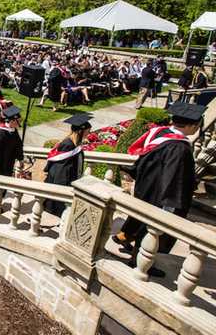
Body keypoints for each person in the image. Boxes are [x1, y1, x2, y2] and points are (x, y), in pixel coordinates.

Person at [112, 102, 202, 277]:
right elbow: (173, 178)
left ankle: (129, 241)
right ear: (192, 125)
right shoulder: (179, 147)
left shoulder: (160, 132)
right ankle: (140, 262)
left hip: (146, 187)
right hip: (160, 195)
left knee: (140, 220)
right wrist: (169, 207)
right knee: (152, 229)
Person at [43, 114, 92, 217]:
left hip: (68, 177)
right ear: (80, 131)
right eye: (88, 131)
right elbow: (60, 167)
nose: (89, 133)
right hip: (61, 179)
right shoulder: (68, 144)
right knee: (56, 206)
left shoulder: (75, 144)